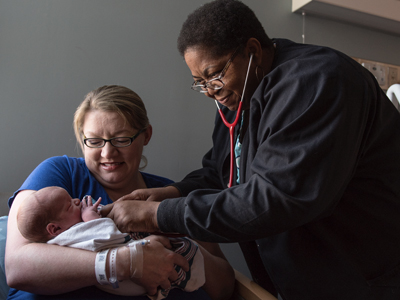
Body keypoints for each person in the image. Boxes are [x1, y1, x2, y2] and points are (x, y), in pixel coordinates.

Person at [100, 1, 400, 300]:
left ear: (252, 51)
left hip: (364, 280)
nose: (210, 91)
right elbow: (222, 173)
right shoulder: (237, 98)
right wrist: (173, 192)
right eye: (199, 83)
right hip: (300, 281)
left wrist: (160, 215)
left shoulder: (318, 82)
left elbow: (277, 197)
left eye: (214, 74)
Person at [5, 85, 235, 300]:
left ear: (146, 135)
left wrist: (176, 240)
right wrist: (128, 261)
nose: (107, 153)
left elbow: (225, 286)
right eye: (94, 141)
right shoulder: (59, 174)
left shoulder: (170, 195)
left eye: (121, 139)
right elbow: (17, 267)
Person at [16, 186, 206, 300]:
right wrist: (91, 217)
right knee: (184, 250)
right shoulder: (66, 239)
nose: (77, 201)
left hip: (125, 280)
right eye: (69, 205)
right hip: (126, 281)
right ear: (54, 229)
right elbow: (106, 236)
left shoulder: (61, 234)